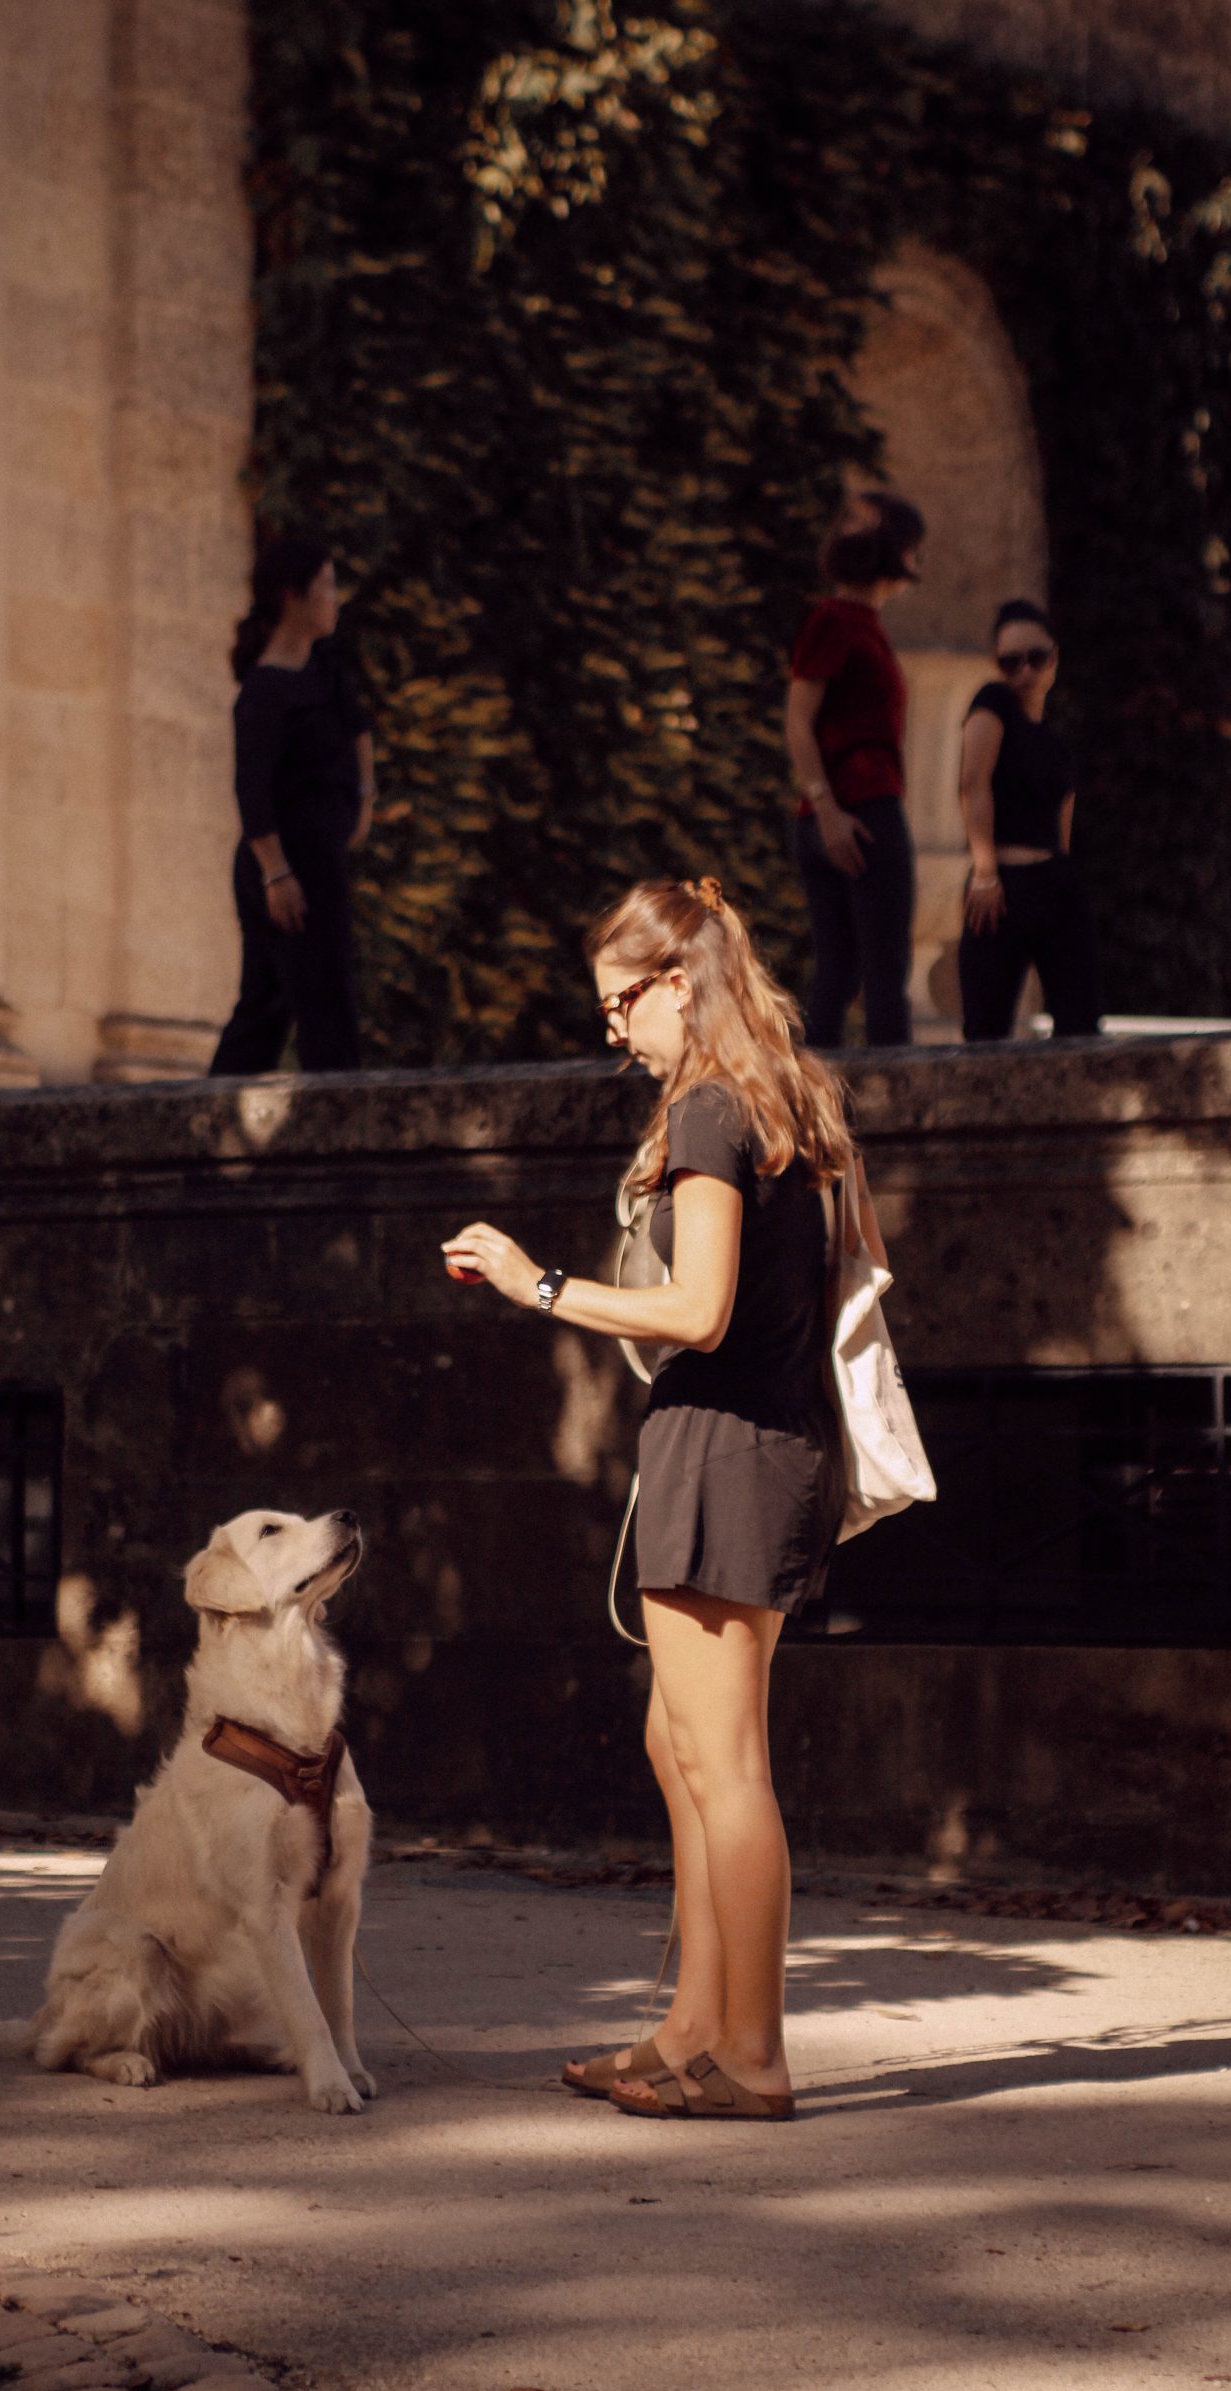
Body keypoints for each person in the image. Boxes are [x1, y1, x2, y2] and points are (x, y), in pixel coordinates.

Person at [441, 876, 862, 2123]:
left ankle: (753, 2055)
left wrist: (536, 1283)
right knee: (676, 1743)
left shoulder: (715, 1112)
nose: (615, 1028)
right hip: (749, 1444)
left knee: (726, 1762)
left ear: (680, 984)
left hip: (734, 1450)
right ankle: (692, 2030)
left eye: (622, 1003)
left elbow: (700, 1309)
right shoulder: (781, 1095)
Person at [209, 537, 375, 1076]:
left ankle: (203, 1131)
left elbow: (358, 730)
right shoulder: (262, 692)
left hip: (319, 858)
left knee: (272, 1005)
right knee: (310, 1004)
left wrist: (363, 802)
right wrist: (277, 874)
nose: (334, 598)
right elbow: (251, 792)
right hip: (283, 868)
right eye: (324, 586)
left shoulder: (325, 667)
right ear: (292, 597)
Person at [785, 491, 926, 1049]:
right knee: (883, 976)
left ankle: (809, 1114)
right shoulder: (837, 621)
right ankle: (897, 1115)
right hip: (859, 814)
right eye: (914, 548)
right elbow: (798, 723)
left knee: (841, 975)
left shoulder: (860, 623)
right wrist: (830, 813)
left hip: (843, 816)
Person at [957, 598, 1103, 1040]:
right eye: (1010, 661)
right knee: (986, 1028)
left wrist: (1063, 880)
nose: (1024, 672)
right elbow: (972, 783)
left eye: (1037, 658)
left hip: (1055, 884)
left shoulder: (1057, 745)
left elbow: (1063, 827)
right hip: (1001, 886)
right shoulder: (993, 702)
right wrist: (985, 873)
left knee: (1080, 1024)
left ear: (1055, 659)